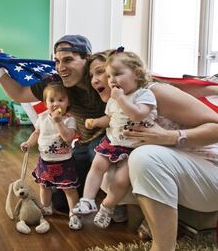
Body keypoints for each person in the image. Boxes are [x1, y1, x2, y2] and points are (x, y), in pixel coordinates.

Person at [87, 50, 218, 251]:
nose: (98, 79)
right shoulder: (121, 106)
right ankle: (153, 228)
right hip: (184, 171)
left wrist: (170, 137)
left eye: (103, 72)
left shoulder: (156, 92)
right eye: (92, 75)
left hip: (211, 170)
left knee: (143, 157)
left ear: (133, 72)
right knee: (112, 164)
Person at [0, 35, 106, 212]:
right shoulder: (56, 81)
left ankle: (114, 204)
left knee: (98, 155)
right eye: (57, 61)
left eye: (68, 60)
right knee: (60, 203)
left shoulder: (100, 79)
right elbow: (19, 94)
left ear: (87, 59)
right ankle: (88, 193)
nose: (61, 67)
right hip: (81, 143)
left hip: (105, 140)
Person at [73, 49, 157, 229]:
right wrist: (95, 122)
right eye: (110, 75)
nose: (112, 80)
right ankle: (87, 200)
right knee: (96, 166)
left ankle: (107, 207)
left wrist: (120, 99)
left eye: (117, 74)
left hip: (135, 148)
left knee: (120, 180)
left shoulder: (144, 94)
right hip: (113, 142)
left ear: (137, 74)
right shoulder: (114, 98)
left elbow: (138, 115)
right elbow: (111, 119)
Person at [20, 82, 81, 230]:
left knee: (69, 189)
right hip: (45, 160)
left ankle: (74, 214)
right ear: (45, 103)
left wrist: (59, 122)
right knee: (44, 186)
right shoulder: (42, 118)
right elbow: (37, 133)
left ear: (68, 102)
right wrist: (28, 143)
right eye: (51, 100)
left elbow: (68, 137)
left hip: (64, 161)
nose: (56, 104)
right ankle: (46, 207)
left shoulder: (69, 120)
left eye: (61, 100)